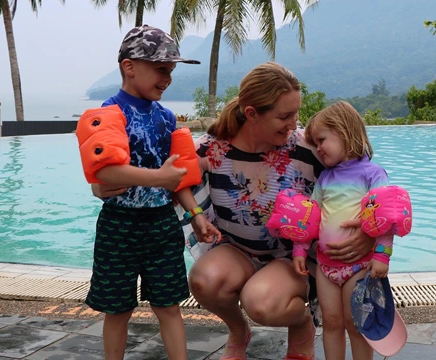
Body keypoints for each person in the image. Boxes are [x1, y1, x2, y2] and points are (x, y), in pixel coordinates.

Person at [180, 63, 374, 360]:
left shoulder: (307, 148)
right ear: (252, 114)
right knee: (204, 281)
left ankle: (302, 323)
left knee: (262, 303)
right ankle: (237, 331)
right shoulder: (213, 149)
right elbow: (176, 179)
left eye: (296, 112)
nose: (294, 123)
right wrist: (196, 214)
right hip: (237, 249)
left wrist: (368, 233)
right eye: (284, 116)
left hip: (292, 260)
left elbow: (366, 180)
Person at [84, 25, 221, 360]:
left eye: (170, 71)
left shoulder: (167, 118)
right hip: (119, 225)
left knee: (169, 306)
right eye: (161, 70)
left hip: (162, 224)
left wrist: (196, 215)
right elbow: (105, 171)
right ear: (130, 67)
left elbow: (181, 176)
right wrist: (158, 178)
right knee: (117, 310)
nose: (167, 78)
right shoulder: (108, 113)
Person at [292, 101, 393, 360]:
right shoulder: (325, 178)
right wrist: (300, 249)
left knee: (355, 324)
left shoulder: (372, 174)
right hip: (326, 266)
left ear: (344, 132)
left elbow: (386, 216)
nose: (318, 149)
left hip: (358, 266)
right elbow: (310, 216)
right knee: (332, 321)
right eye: (314, 143)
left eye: (322, 140)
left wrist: (382, 255)